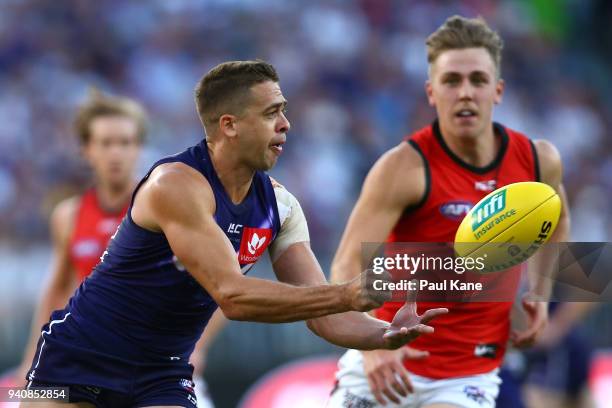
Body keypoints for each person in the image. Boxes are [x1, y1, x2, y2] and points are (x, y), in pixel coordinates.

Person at [21, 60, 447, 408]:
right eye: (271, 112)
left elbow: (324, 315)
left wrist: (383, 332)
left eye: (283, 110)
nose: (286, 124)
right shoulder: (175, 185)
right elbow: (233, 295)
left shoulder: (281, 207)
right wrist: (347, 293)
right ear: (229, 125)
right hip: (76, 361)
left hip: (161, 373)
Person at [328, 16, 570, 408]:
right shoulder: (402, 167)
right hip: (386, 361)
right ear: (431, 92)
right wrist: (371, 345)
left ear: (498, 90)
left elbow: (558, 221)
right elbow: (345, 265)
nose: (465, 93)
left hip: (466, 376)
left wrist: (542, 294)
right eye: (451, 81)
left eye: (478, 80)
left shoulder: (539, 161)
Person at [15, 90, 145, 381]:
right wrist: (32, 358)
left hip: (152, 359)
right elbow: (58, 287)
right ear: (87, 150)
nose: (116, 153)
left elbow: (209, 282)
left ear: (138, 148)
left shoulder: (164, 208)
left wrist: (196, 346)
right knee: (29, 400)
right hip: (88, 354)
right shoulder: (69, 216)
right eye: (106, 143)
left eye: (125, 143)